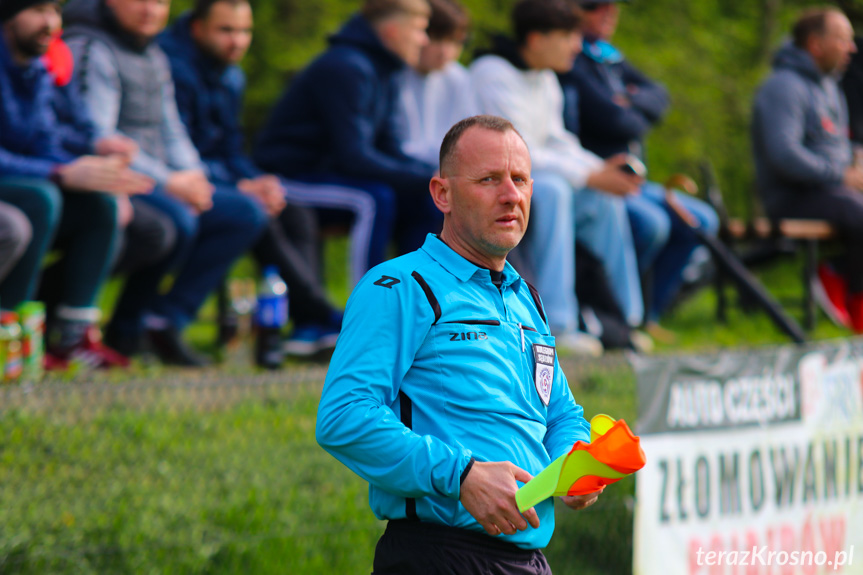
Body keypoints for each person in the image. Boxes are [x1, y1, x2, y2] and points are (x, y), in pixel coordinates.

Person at [317, 115, 599, 574]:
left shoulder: (523, 296)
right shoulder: (400, 285)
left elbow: (560, 413)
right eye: (489, 179)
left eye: (521, 179)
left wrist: (575, 460)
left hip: (528, 559)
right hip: (438, 555)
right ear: (442, 194)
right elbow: (342, 417)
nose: (511, 195)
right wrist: (461, 475)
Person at [62, 0, 269, 366]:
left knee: (244, 212)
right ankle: (121, 326)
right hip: (116, 175)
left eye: (159, 1)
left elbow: (171, 128)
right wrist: (172, 181)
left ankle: (162, 322)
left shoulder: (153, 53)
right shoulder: (91, 46)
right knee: (176, 220)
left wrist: (195, 177)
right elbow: (98, 133)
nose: (149, 9)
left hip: (158, 177)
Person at [158, 0, 343, 356]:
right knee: (253, 213)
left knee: (294, 210)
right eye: (226, 30)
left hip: (218, 178)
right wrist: (242, 186)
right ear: (197, 28)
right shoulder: (171, 67)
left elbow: (230, 148)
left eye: (244, 31)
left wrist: (259, 180)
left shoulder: (231, 75)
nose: (237, 42)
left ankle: (309, 325)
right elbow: (177, 150)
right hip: (180, 180)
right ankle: (321, 314)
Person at [471, 0, 644, 353]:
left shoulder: (546, 77)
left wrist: (601, 170)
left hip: (529, 178)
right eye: (568, 36)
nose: (577, 46)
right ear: (536, 39)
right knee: (551, 191)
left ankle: (622, 322)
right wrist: (590, 175)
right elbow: (514, 152)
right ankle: (558, 325)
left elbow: (557, 140)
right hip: (485, 182)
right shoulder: (491, 72)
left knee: (604, 198)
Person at [0, 0, 154, 367]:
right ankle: (12, 331)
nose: (50, 23)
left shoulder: (35, 67)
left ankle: (74, 335)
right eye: (36, 10)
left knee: (100, 203)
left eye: (54, 11)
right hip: (19, 186)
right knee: (42, 197)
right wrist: (60, 173)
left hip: (23, 179)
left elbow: (44, 140)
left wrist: (91, 167)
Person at [561, 0, 718, 329]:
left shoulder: (610, 57)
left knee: (701, 221)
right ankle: (616, 310)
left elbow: (660, 94)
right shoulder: (571, 60)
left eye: (613, 7)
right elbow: (616, 122)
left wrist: (629, 102)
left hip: (637, 184)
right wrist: (630, 110)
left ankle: (653, 313)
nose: (610, 13)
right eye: (597, 7)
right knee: (652, 225)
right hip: (601, 181)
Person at [255, 0, 441, 265]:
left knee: (425, 198)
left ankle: (413, 297)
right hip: (290, 177)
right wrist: (427, 177)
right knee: (374, 199)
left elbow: (390, 148)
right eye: (419, 30)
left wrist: (437, 176)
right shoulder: (346, 67)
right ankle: (368, 302)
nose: (424, 41)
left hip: (334, 175)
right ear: (392, 31)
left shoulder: (387, 71)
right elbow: (354, 157)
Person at [753, 8, 863, 331]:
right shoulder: (783, 87)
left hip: (832, 192)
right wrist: (840, 175)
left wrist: (855, 159)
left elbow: (837, 144)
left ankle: (843, 278)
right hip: (793, 197)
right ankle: (842, 284)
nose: (851, 47)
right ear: (815, 44)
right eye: (842, 39)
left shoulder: (830, 86)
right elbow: (784, 156)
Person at [396, 0, 477, 166]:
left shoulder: (458, 77)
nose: (445, 52)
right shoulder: (395, 76)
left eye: (455, 42)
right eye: (438, 39)